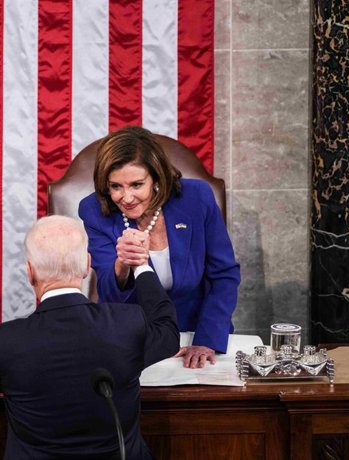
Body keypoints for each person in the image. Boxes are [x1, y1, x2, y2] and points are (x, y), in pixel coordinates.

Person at [0, 215, 179, 459]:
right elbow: (167, 330)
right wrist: (140, 263)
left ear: (30, 272)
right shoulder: (126, 323)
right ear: (87, 265)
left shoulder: (5, 340)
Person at [78, 126, 240, 368]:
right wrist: (122, 264)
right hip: (133, 338)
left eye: (136, 184)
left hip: (197, 332)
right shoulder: (93, 210)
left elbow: (224, 275)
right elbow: (109, 294)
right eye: (115, 187)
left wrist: (206, 340)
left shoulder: (197, 198)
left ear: (156, 178)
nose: (126, 197)